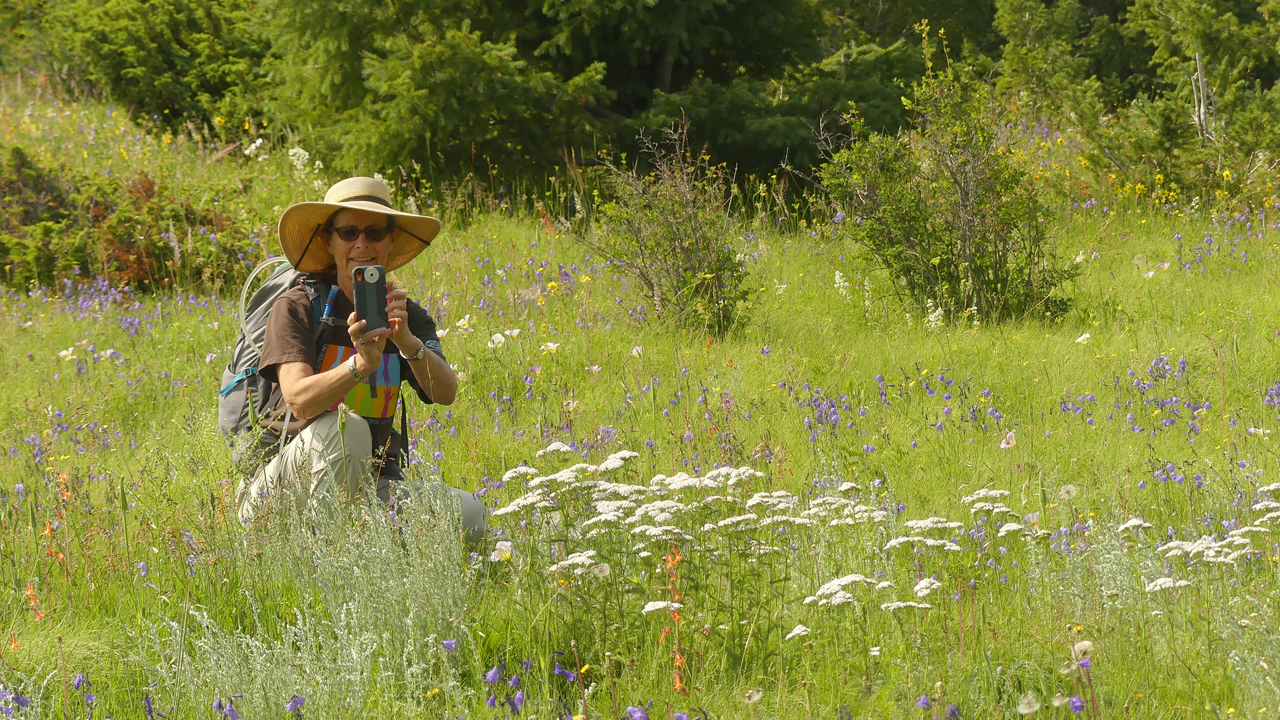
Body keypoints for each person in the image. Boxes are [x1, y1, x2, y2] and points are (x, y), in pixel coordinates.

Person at [235, 176, 486, 542]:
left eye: (375, 232)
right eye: (349, 232)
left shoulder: (407, 316)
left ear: (391, 239)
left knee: (469, 515)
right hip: (278, 494)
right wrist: (359, 366)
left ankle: (364, 555)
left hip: (370, 491)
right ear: (328, 239)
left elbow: (445, 393)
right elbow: (298, 400)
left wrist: (407, 343)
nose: (362, 244)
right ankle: (315, 565)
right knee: (348, 428)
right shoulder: (298, 307)